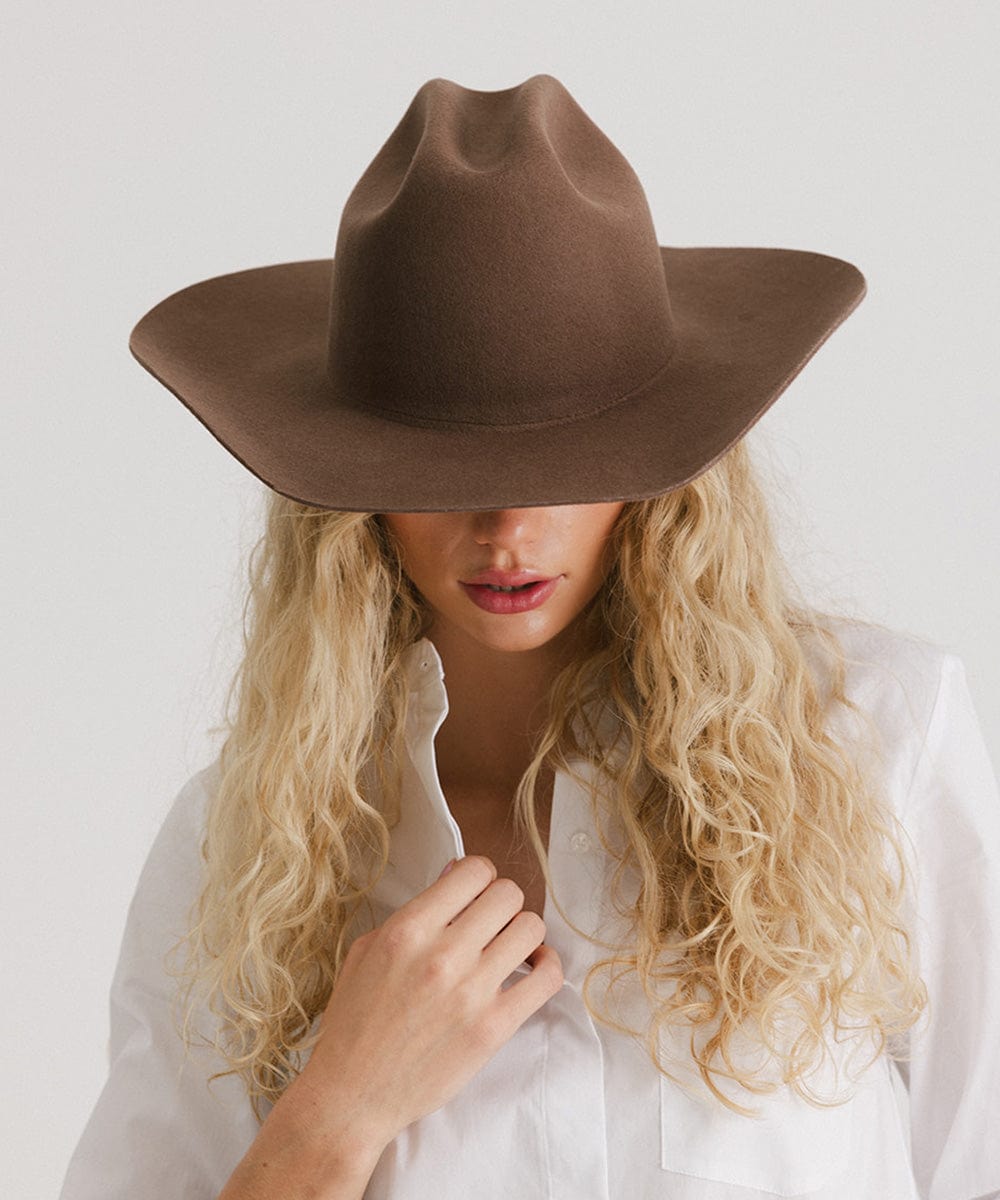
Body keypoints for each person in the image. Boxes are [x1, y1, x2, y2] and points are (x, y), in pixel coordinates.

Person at [60, 74, 1000, 1200]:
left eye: (569, 462)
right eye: (441, 469)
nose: (506, 528)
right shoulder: (243, 849)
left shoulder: (875, 744)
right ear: (352, 495)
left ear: (664, 475)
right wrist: (335, 1115)